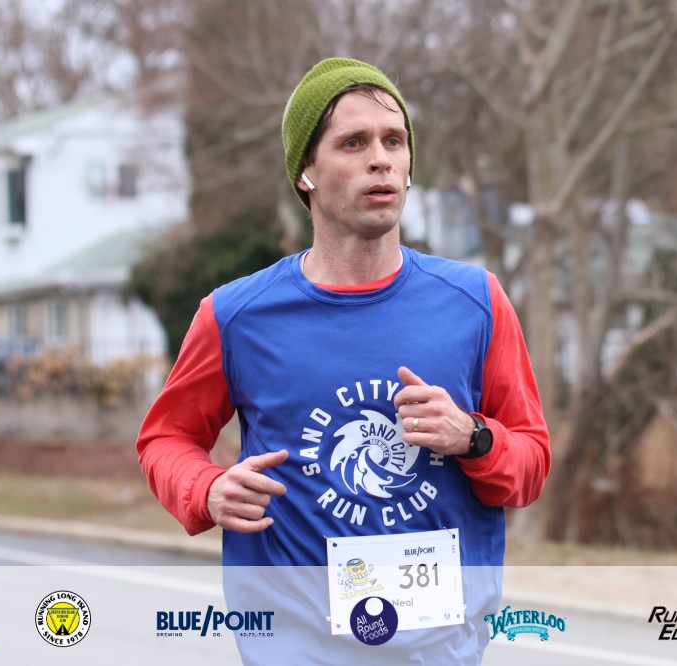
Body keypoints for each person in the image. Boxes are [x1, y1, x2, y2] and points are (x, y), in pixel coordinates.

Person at [136, 57, 550, 664]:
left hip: (438, 649)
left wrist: (473, 437)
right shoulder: (236, 316)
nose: (381, 160)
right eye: (353, 143)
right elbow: (165, 439)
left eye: (394, 141)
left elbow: (531, 464)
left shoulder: (475, 302)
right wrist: (208, 488)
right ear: (305, 171)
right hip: (297, 646)